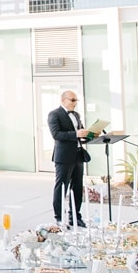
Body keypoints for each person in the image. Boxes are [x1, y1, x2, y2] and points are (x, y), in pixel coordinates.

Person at [48, 90, 91, 228]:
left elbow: (80, 131)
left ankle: (75, 216)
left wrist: (87, 134)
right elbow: (56, 134)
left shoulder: (76, 115)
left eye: (76, 100)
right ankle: (59, 218)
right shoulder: (54, 114)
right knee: (61, 187)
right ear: (63, 100)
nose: (75, 103)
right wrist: (75, 134)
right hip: (64, 156)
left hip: (78, 154)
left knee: (77, 187)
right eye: (72, 100)